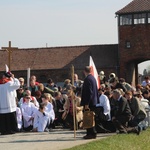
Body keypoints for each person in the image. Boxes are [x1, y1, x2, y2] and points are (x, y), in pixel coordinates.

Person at [81, 66, 99, 139]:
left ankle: (91, 133)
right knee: (91, 117)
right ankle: (91, 132)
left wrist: (86, 104)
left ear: (84, 71)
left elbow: (89, 92)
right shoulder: (93, 78)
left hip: (89, 102)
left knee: (88, 118)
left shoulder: (87, 79)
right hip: (93, 101)